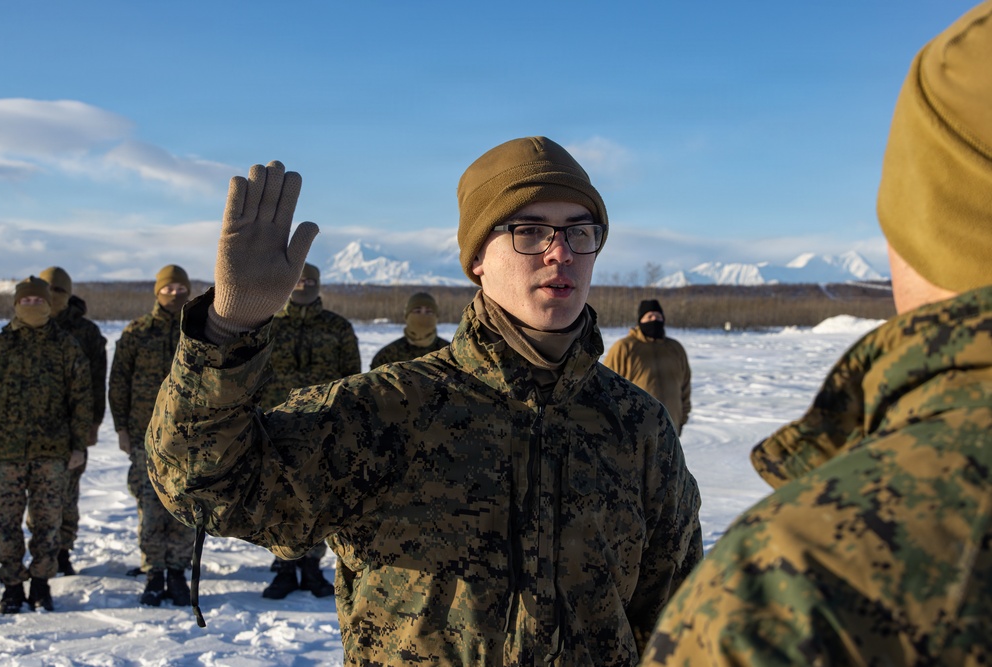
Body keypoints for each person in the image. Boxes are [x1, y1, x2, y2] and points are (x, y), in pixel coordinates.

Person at [147, 137, 703, 663]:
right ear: (478, 258)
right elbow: (204, 487)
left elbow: (678, 619)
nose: (560, 253)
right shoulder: (389, 410)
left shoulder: (637, 427)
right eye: (530, 232)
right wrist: (229, 327)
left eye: (580, 232)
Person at [642, 4, 992, 664]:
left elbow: (680, 389)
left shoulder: (790, 589)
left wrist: (672, 424)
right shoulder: (626, 352)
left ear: (917, 221)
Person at [259, 262, 360, 600]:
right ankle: (284, 565)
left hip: (323, 430)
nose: (304, 285)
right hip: (276, 426)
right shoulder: (268, 326)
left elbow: (352, 381)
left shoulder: (338, 327)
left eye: (310, 281)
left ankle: (313, 565)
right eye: (298, 280)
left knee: (317, 498)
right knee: (278, 498)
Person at [0, 277, 92, 613]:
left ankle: (40, 584)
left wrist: (79, 445)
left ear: (49, 305)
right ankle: (12, 586)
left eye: (39, 300)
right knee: (7, 524)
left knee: (48, 523)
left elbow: (81, 400)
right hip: (5, 454)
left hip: (53, 453)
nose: (32, 305)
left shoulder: (66, 346)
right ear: (16, 304)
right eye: (26, 300)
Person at [109, 265, 195, 607]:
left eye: (180, 288)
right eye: (168, 287)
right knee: (150, 505)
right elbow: (119, 385)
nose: (174, 293)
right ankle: (153, 572)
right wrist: (121, 429)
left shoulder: (199, 330)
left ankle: (177, 572)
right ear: (157, 291)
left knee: (185, 507)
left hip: (190, 437)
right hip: (146, 435)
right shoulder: (135, 333)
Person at [39, 266, 108, 576]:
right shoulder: (28, 326)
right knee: (39, 498)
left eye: (59, 292)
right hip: (33, 430)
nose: (53, 298)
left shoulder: (87, 332)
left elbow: (98, 380)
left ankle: (63, 550)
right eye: (48, 290)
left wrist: (93, 423)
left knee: (68, 493)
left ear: (68, 295)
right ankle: (43, 551)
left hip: (73, 428)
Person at [603, 298, 691, 435]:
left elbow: (685, 388)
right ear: (640, 320)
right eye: (649, 316)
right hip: (634, 431)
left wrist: (681, 419)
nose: (654, 319)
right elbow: (605, 387)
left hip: (670, 429)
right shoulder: (625, 347)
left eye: (658, 316)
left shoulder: (675, 348)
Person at [369, 291, 451, 369]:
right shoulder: (386, 356)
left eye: (428, 312)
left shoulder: (451, 355)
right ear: (407, 316)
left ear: (436, 317)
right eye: (417, 311)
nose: (423, 316)